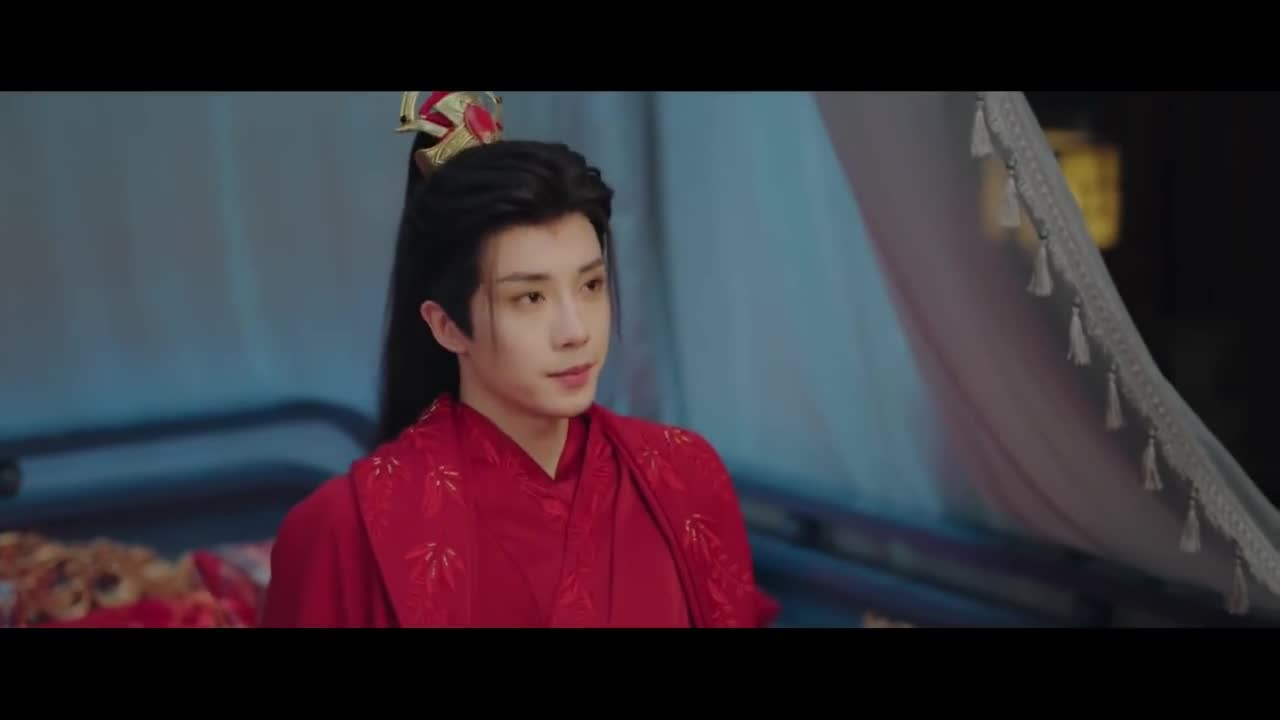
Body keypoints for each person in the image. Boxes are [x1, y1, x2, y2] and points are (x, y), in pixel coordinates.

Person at [260, 91, 780, 628]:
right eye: (530, 297)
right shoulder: (341, 530)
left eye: (590, 285)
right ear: (446, 325)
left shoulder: (682, 475)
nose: (576, 332)